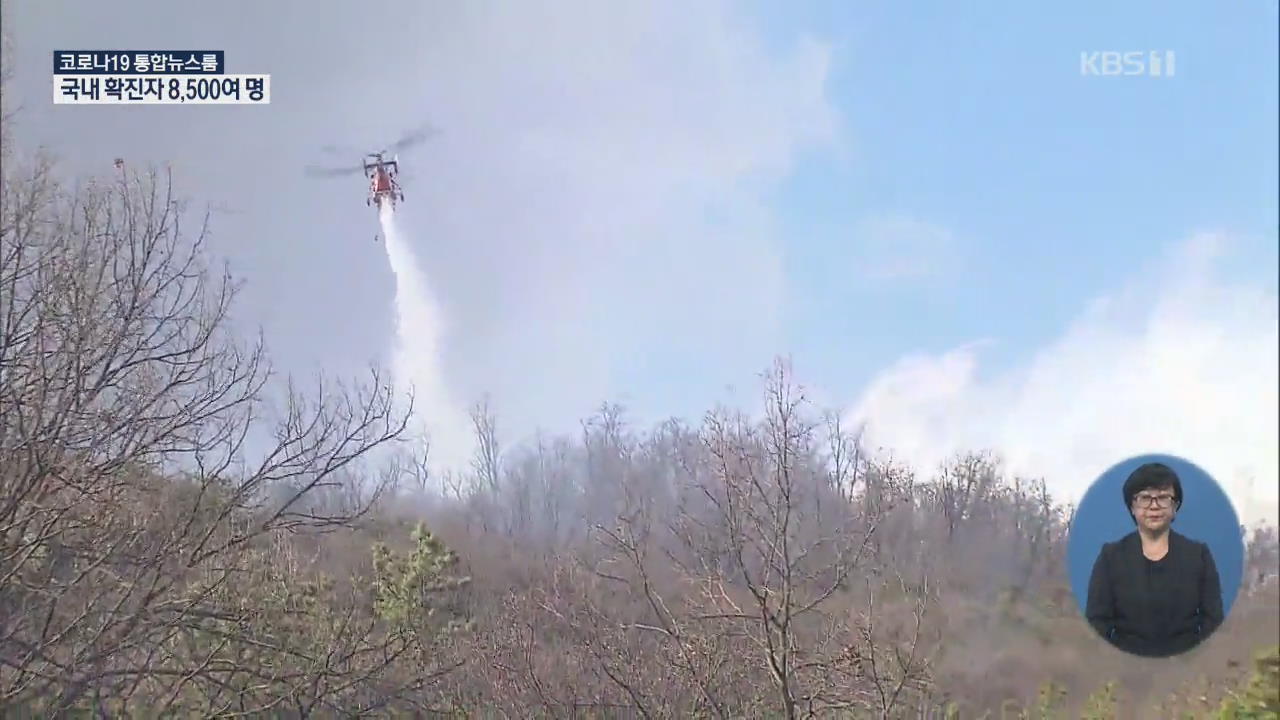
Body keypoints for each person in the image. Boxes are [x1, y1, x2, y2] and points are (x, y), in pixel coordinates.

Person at [1085, 462, 1224, 657]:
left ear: (1175, 506)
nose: (1154, 506)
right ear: (1132, 506)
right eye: (1145, 498)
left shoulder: (1198, 555)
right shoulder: (1111, 557)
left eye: (1163, 498)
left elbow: (1213, 620)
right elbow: (1097, 621)